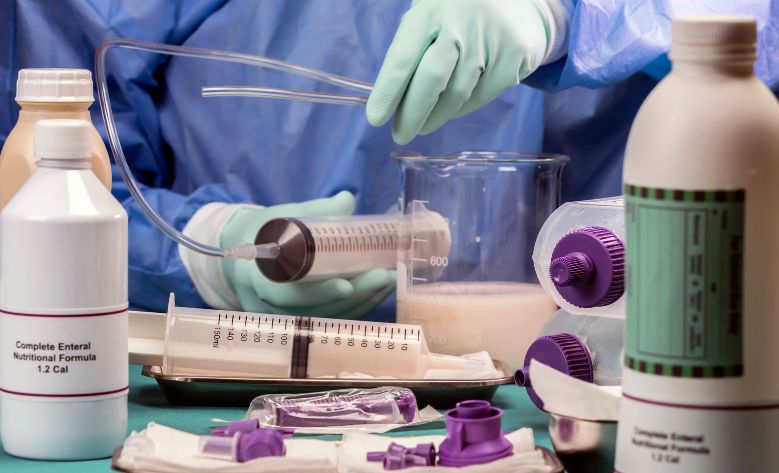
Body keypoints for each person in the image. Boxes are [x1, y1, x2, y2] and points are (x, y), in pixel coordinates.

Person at [1, 0, 776, 318]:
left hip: (596, 362)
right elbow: (43, 153)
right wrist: (204, 250)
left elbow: (749, 31)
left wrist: (569, 13)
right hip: (233, 369)